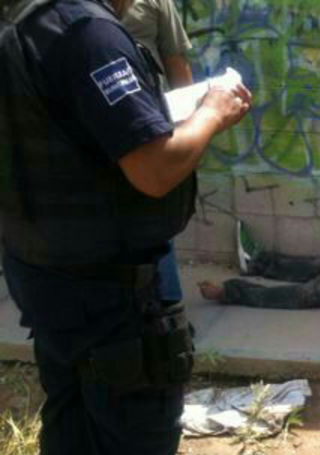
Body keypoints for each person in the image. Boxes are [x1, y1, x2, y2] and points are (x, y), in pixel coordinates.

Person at [0, 0, 251, 455]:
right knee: (135, 446)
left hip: (42, 269)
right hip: (112, 287)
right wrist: (213, 111)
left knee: (72, 414)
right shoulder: (89, 35)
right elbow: (155, 170)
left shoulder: (26, 21)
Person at [122, 0, 193, 307]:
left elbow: (176, 61)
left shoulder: (155, 3)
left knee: (155, 212)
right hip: (99, 125)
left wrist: (189, 125)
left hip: (152, 124)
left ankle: (167, 301)